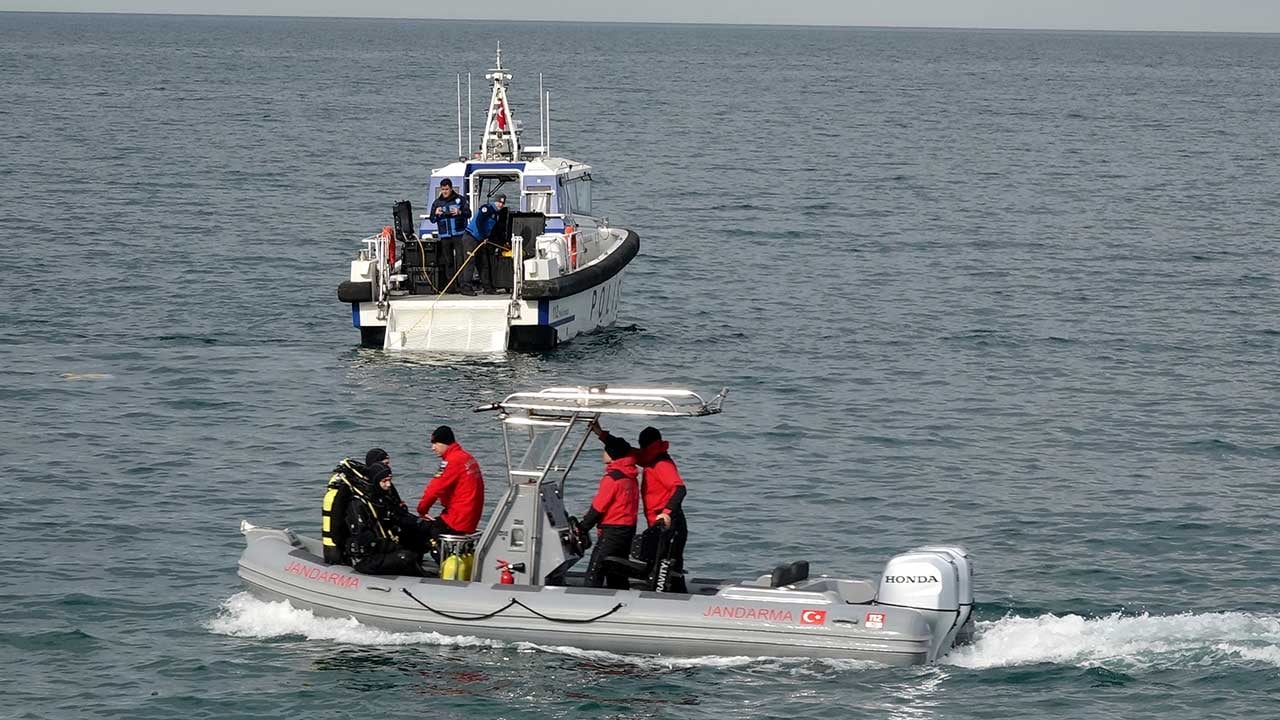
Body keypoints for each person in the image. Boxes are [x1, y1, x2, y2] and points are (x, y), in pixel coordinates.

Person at [591, 422, 689, 593]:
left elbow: (679, 488)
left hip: (669, 522)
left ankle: (669, 597)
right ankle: (674, 593)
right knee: (664, 562)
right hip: (659, 523)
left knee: (666, 564)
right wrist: (601, 434)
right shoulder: (650, 458)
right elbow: (624, 450)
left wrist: (666, 513)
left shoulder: (661, 464)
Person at [577, 435, 640, 589]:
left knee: (595, 569)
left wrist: (582, 528)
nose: (602, 454)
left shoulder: (612, 479)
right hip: (628, 529)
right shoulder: (631, 476)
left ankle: (589, 600)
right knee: (617, 569)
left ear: (612, 454)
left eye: (605, 451)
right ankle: (620, 596)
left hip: (612, 531)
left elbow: (599, 507)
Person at [344, 463, 425, 576]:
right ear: (376, 481)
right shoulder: (357, 504)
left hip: (382, 550)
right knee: (405, 557)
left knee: (419, 539)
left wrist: (424, 525)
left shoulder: (381, 500)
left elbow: (399, 517)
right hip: (367, 558)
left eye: (390, 480)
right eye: (384, 481)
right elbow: (364, 538)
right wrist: (392, 547)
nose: (388, 484)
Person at [417, 425, 485, 555]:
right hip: (470, 517)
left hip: (458, 518)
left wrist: (422, 510)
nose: (433, 448)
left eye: (435, 443)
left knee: (421, 530)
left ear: (445, 443)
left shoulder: (452, 461)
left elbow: (433, 490)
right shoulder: (467, 458)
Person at [429, 179, 473, 294]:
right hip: (445, 236)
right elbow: (432, 219)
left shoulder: (460, 200)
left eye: (446, 189)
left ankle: (462, 284)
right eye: (442, 189)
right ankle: (451, 286)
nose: (444, 191)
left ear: (451, 188)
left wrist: (460, 212)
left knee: (460, 260)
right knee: (448, 261)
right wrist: (436, 214)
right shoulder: (437, 203)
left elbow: (469, 213)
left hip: (459, 235)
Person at [463, 193, 507, 293]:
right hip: (471, 237)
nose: (500, 205)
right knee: (470, 262)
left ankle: (487, 287)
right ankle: (466, 287)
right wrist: (483, 236)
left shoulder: (496, 215)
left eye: (502, 203)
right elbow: (479, 222)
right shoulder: (486, 209)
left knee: (483, 263)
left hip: (481, 240)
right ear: (494, 201)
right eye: (499, 202)